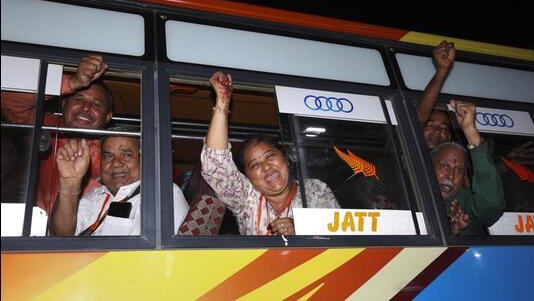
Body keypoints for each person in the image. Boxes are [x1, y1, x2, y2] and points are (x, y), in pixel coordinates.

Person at [201, 72, 340, 236]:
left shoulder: (316, 189)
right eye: (254, 165)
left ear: (286, 159)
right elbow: (215, 162)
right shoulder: (246, 198)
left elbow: (342, 234)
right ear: (247, 177)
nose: (266, 167)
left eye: (270, 156)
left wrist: (301, 230)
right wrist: (223, 101)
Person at [1, 55, 112, 214]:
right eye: (78, 99)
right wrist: (72, 82)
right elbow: (8, 102)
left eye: (96, 104)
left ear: (107, 117)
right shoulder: (48, 126)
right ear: (64, 104)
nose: (86, 108)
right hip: (35, 226)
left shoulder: (112, 150)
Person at [50, 133, 189, 236]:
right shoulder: (97, 196)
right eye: (108, 156)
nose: (116, 163)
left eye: (127, 155)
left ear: (144, 160)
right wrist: (69, 183)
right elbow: (61, 238)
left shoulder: (163, 194)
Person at [431, 100, 504, 235]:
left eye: (459, 170)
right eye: (444, 166)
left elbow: (490, 207)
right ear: (429, 167)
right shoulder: (410, 195)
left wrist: (470, 131)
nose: (450, 176)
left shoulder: (463, 203)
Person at [416, 40, 456, 150]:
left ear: (449, 137)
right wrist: (442, 70)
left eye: (444, 128)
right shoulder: (409, 155)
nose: (437, 131)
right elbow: (421, 114)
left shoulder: (454, 162)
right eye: (430, 125)